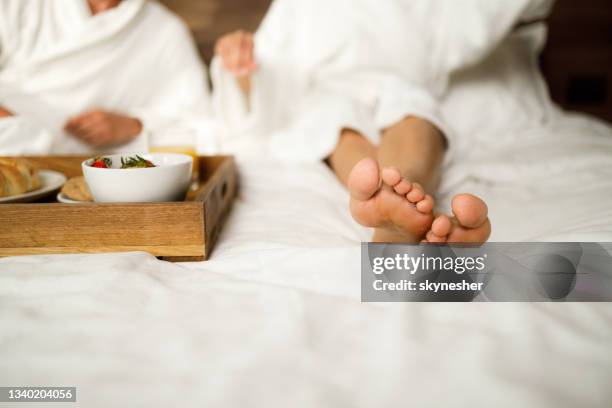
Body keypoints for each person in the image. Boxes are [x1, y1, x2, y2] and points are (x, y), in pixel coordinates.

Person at [211, 0, 559, 243]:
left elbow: (471, 25)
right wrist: (241, 59)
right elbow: (273, 70)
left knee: (414, 112)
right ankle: (396, 205)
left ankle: (394, 213)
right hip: (326, 91)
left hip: (401, 82)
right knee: (336, 128)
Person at [0, 0, 210, 154]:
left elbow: (200, 122)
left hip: (87, 170)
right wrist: (15, 128)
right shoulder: (19, 6)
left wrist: (134, 125)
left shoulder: (165, 31)